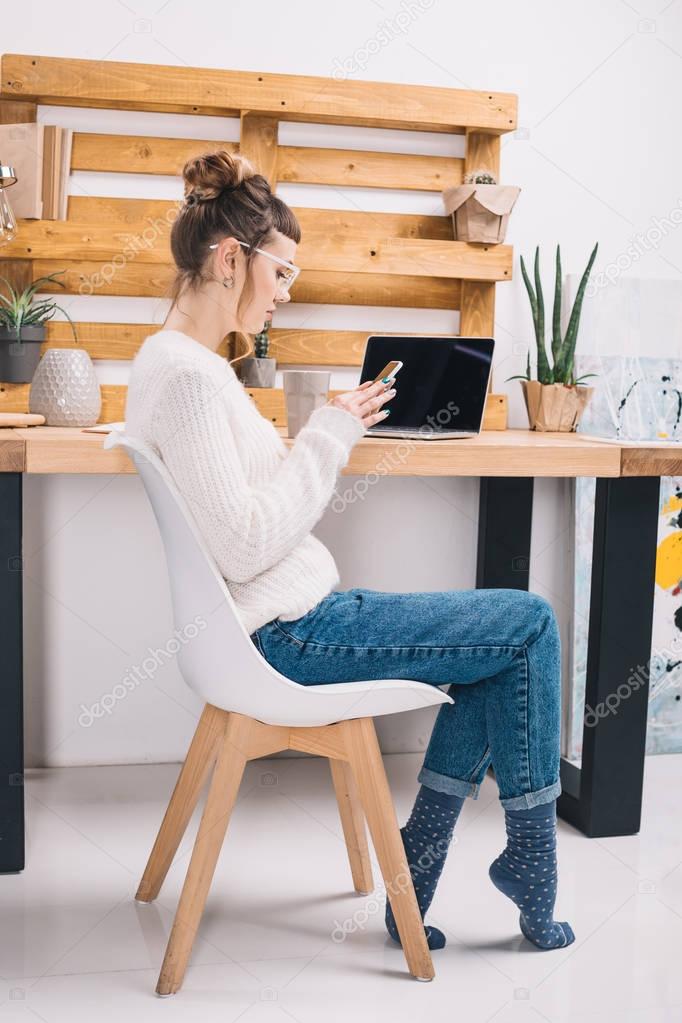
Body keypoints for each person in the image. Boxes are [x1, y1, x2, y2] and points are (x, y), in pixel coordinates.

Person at [125, 149, 575, 954]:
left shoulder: (179, 365)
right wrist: (329, 439)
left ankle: (443, 864)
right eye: (283, 273)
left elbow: (248, 512)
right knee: (530, 624)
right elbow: (247, 539)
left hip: (287, 623)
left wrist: (324, 430)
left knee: (501, 647)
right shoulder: (191, 378)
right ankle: (523, 870)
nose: (287, 294)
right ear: (232, 259)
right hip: (285, 635)